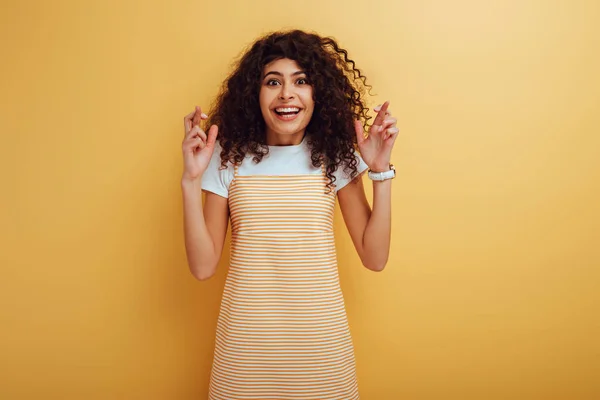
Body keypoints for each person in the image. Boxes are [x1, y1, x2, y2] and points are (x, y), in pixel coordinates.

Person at [181, 29, 399, 400]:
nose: (287, 94)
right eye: (273, 82)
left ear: (318, 95)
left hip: (321, 353)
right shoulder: (227, 157)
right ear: (256, 93)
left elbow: (374, 258)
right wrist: (190, 179)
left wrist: (379, 172)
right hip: (245, 354)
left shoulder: (336, 156)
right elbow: (203, 267)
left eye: (301, 81)